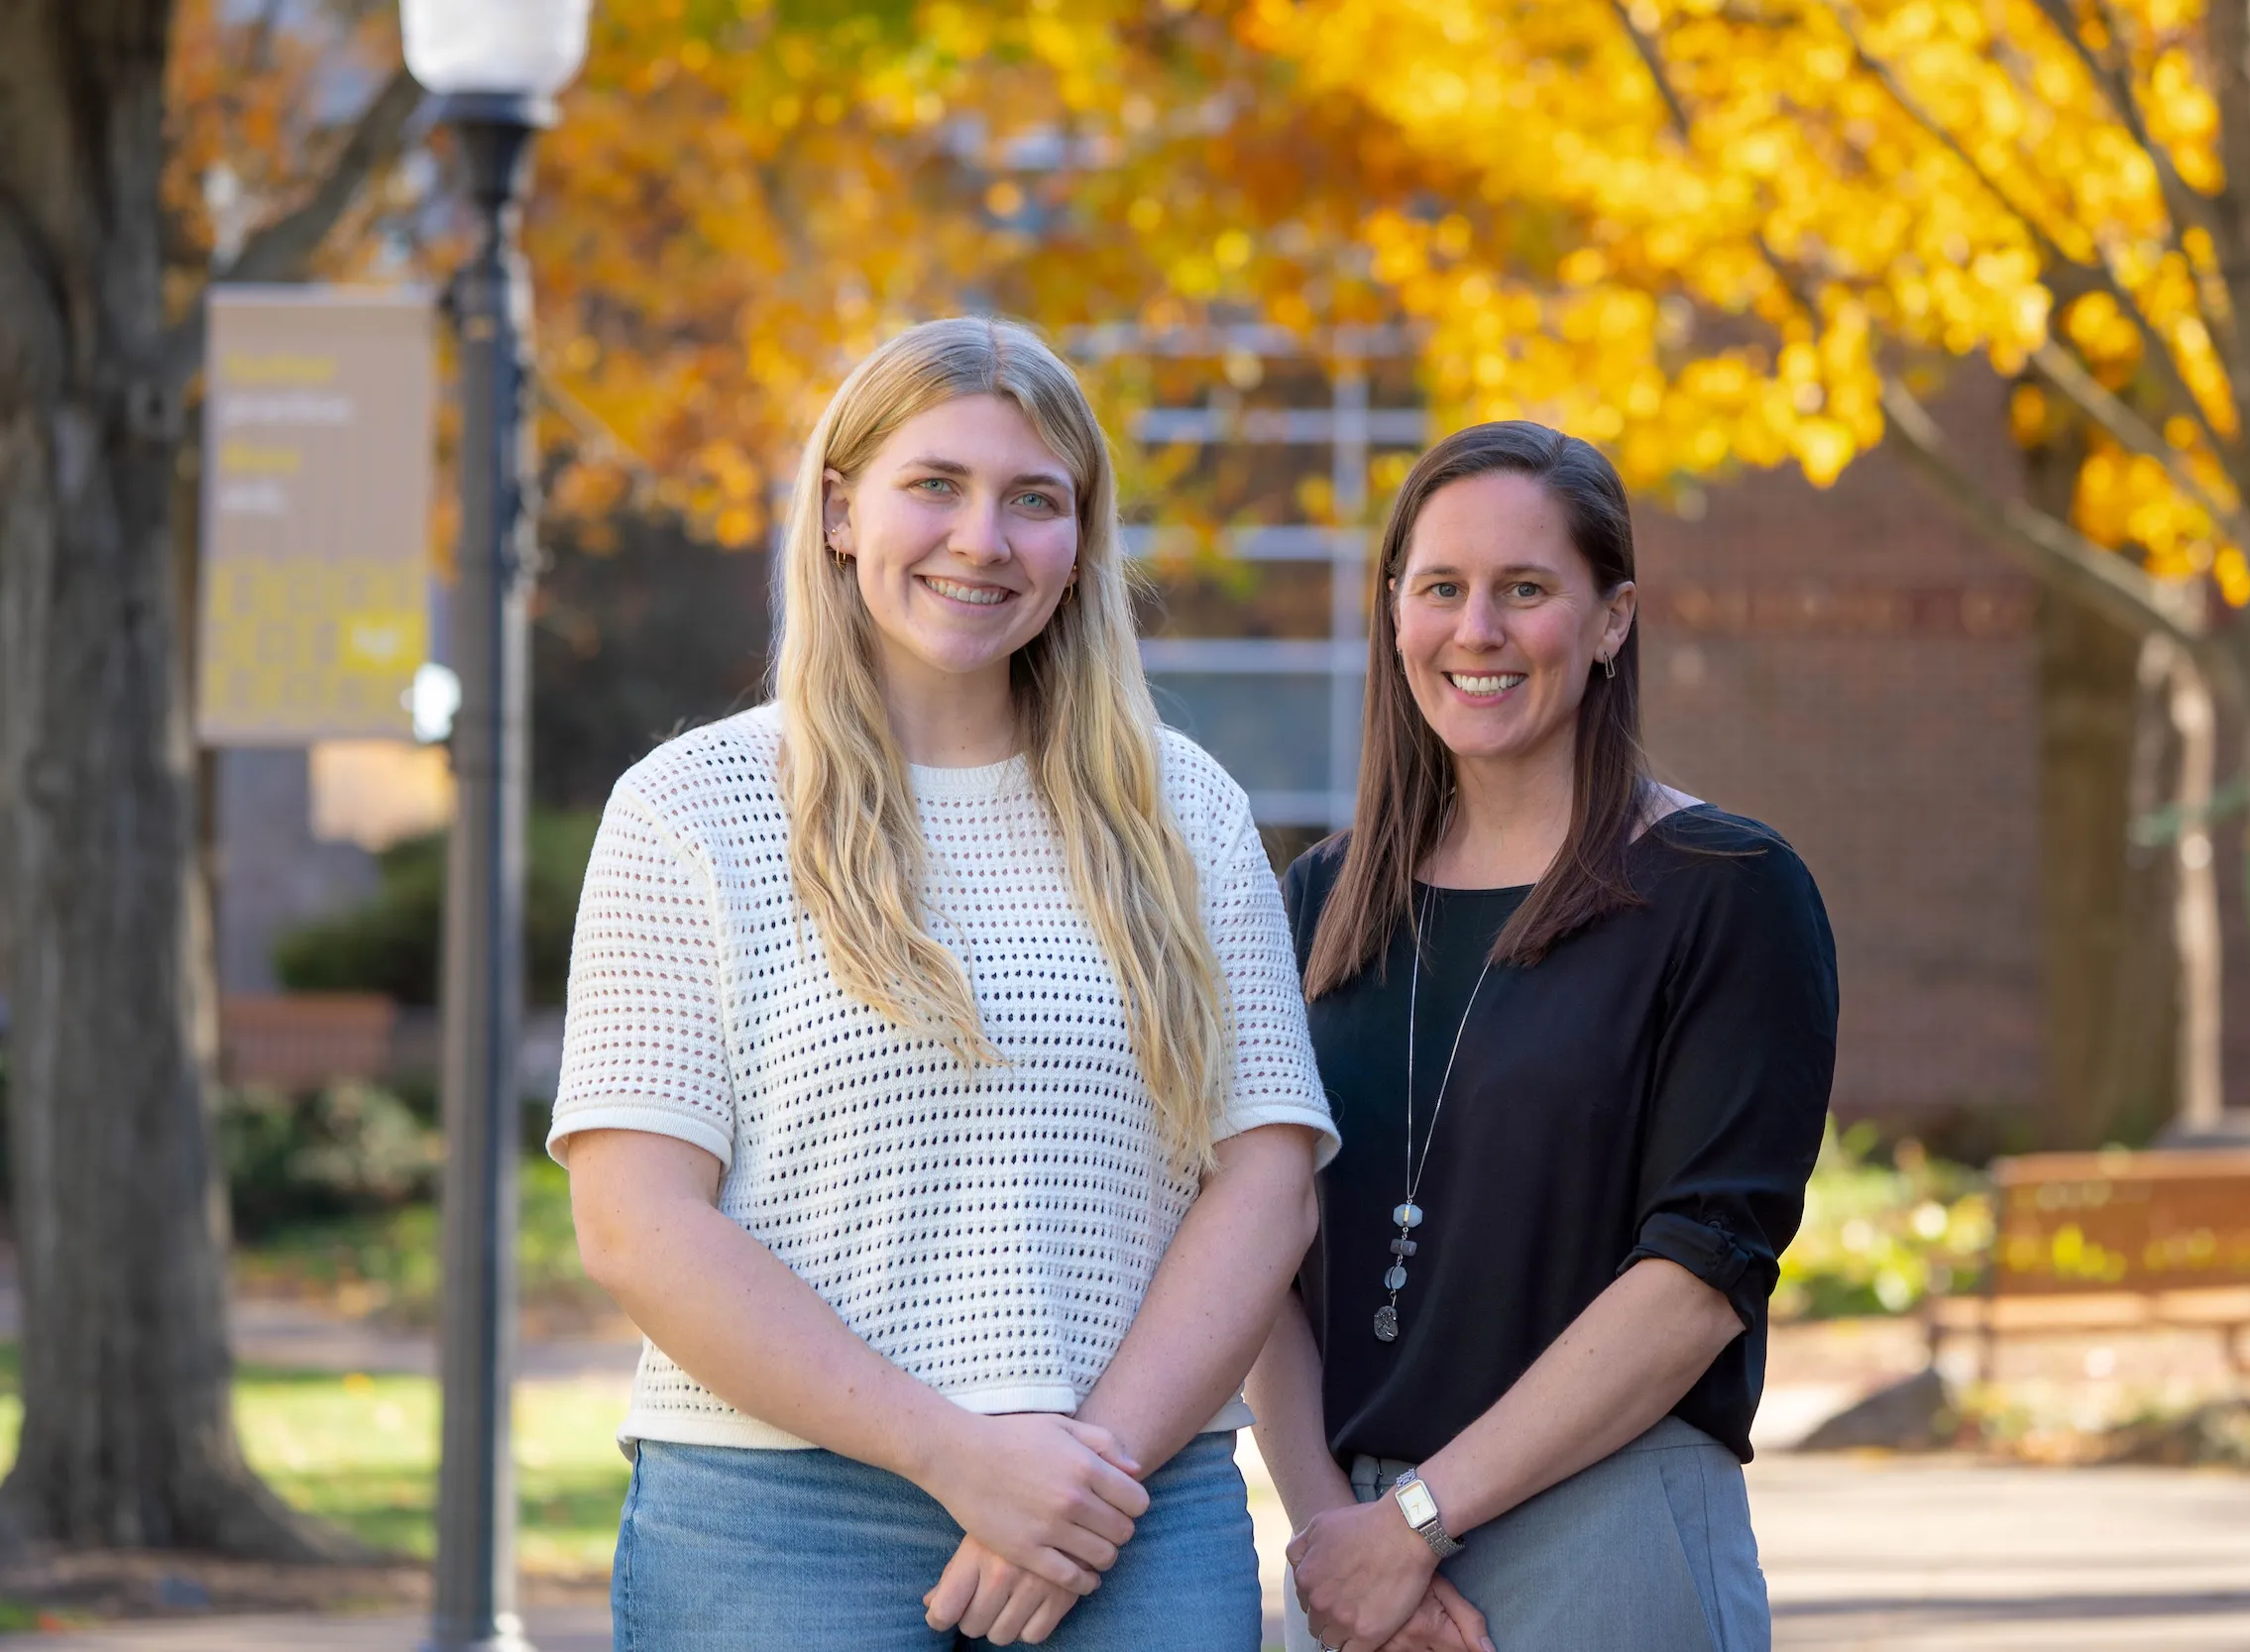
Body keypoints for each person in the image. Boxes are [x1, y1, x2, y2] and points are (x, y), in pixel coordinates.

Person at [551, 316, 1337, 1651]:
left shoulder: (1183, 807)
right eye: (938, 485)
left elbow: (1265, 1178)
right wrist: (961, 1457)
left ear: (1080, 544)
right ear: (843, 509)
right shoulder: (693, 807)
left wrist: (1081, 1473)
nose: (985, 539)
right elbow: (637, 1223)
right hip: (776, 1518)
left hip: (1130, 1507)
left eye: (1035, 500)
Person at [1250, 420, 1837, 1652]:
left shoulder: (1724, 889)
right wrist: (1337, 1539)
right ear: (1394, 612)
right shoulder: (1316, 901)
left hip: (1602, 1524)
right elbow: (1258, 1244)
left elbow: (1699, 1275)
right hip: (1348, 1564)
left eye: (1526, 589)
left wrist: (1414, 1521)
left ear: (1612, 618)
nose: (1477, 630)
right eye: (1441, 588)